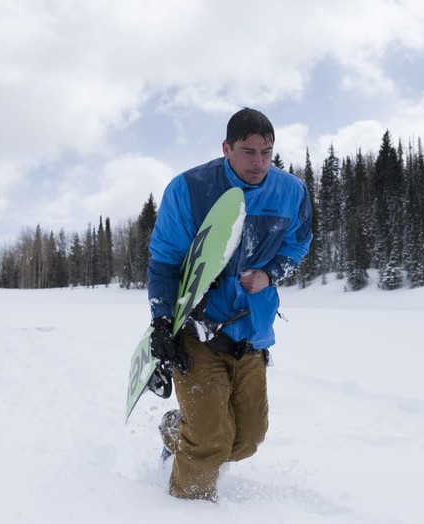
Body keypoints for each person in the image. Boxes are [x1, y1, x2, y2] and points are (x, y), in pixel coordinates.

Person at [147, 108, 313, 501]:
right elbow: (165, 259)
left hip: (251, 332)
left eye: (267, 153)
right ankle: (189, 507)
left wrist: (270, 274)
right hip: (198, 331)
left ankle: (177, 428)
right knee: (209, 441)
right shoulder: (189, 188)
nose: (259, 163)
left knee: (247, 438)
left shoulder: (291, 192)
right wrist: (161, 320)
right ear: (226, 148)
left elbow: (299, 243)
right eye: (248, 152)